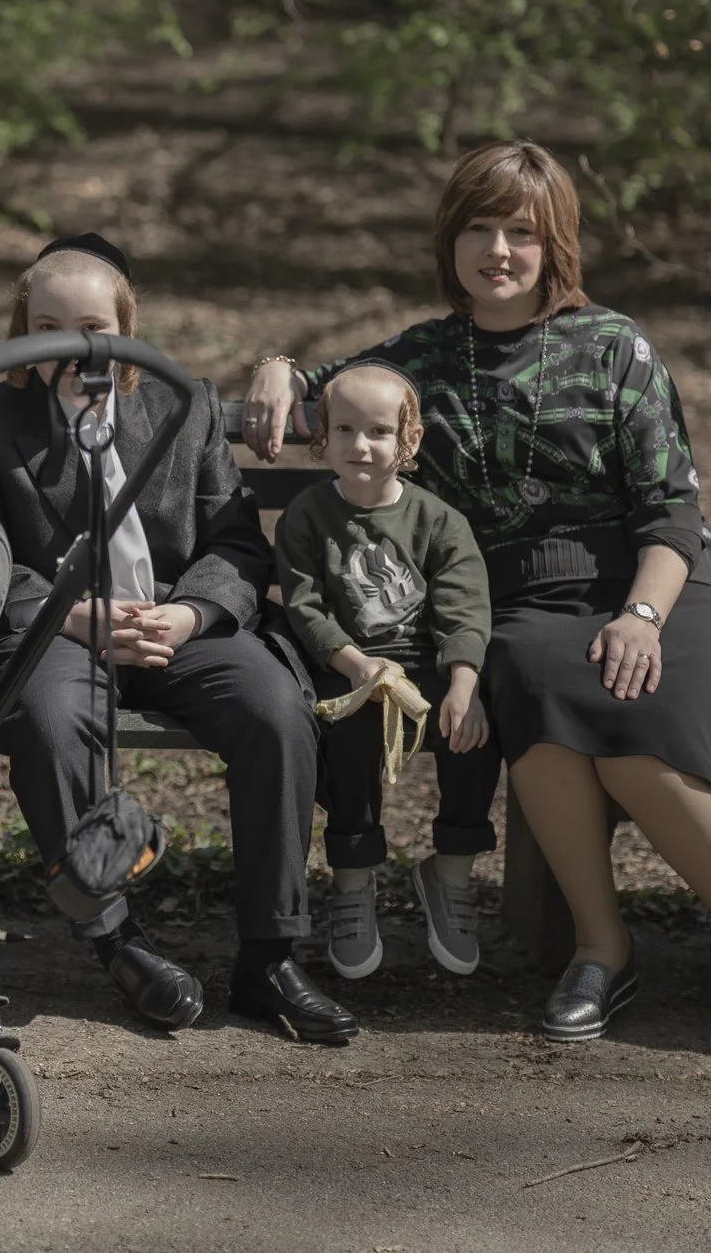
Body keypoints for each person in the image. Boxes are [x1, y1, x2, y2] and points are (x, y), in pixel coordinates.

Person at [242, 141, 711, 1076]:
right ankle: (603, 950)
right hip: (520, 602)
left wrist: (642, 617)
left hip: (655, 587)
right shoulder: (424, 356)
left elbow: (672, 512)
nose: (498, 251)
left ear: (553, 242)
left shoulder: (615, 346)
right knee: (542, 696)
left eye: (521, 232)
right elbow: (329, 387)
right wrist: (280, 368)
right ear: (451, 241)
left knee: (639, 733)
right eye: (479, 229)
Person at [0, 234, 353, 1044]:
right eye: (48, 328)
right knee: (48, 720)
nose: (74, 349)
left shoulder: (185, 407)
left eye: (94, 328)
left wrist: (191, 614)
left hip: (174, 621)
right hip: (61, 631)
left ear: (127, 327)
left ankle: (270, 955)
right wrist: (71, 614)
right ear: (21, 330)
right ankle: (118, 940)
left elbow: (236, 542)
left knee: (274, 707)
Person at [274, 361, 497, 980]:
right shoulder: (307, 516)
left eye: (378, 431)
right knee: (347, 735)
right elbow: (306, 607)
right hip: (345, 664)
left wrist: (463, 684)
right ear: (323, 437)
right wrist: (356, 666)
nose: (361, 445)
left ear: (409, 440)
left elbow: (464, 607)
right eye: (344, 429)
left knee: (474, 730)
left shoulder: (438, 521)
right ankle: (353, 879)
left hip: (428, 662)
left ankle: (451, 870)